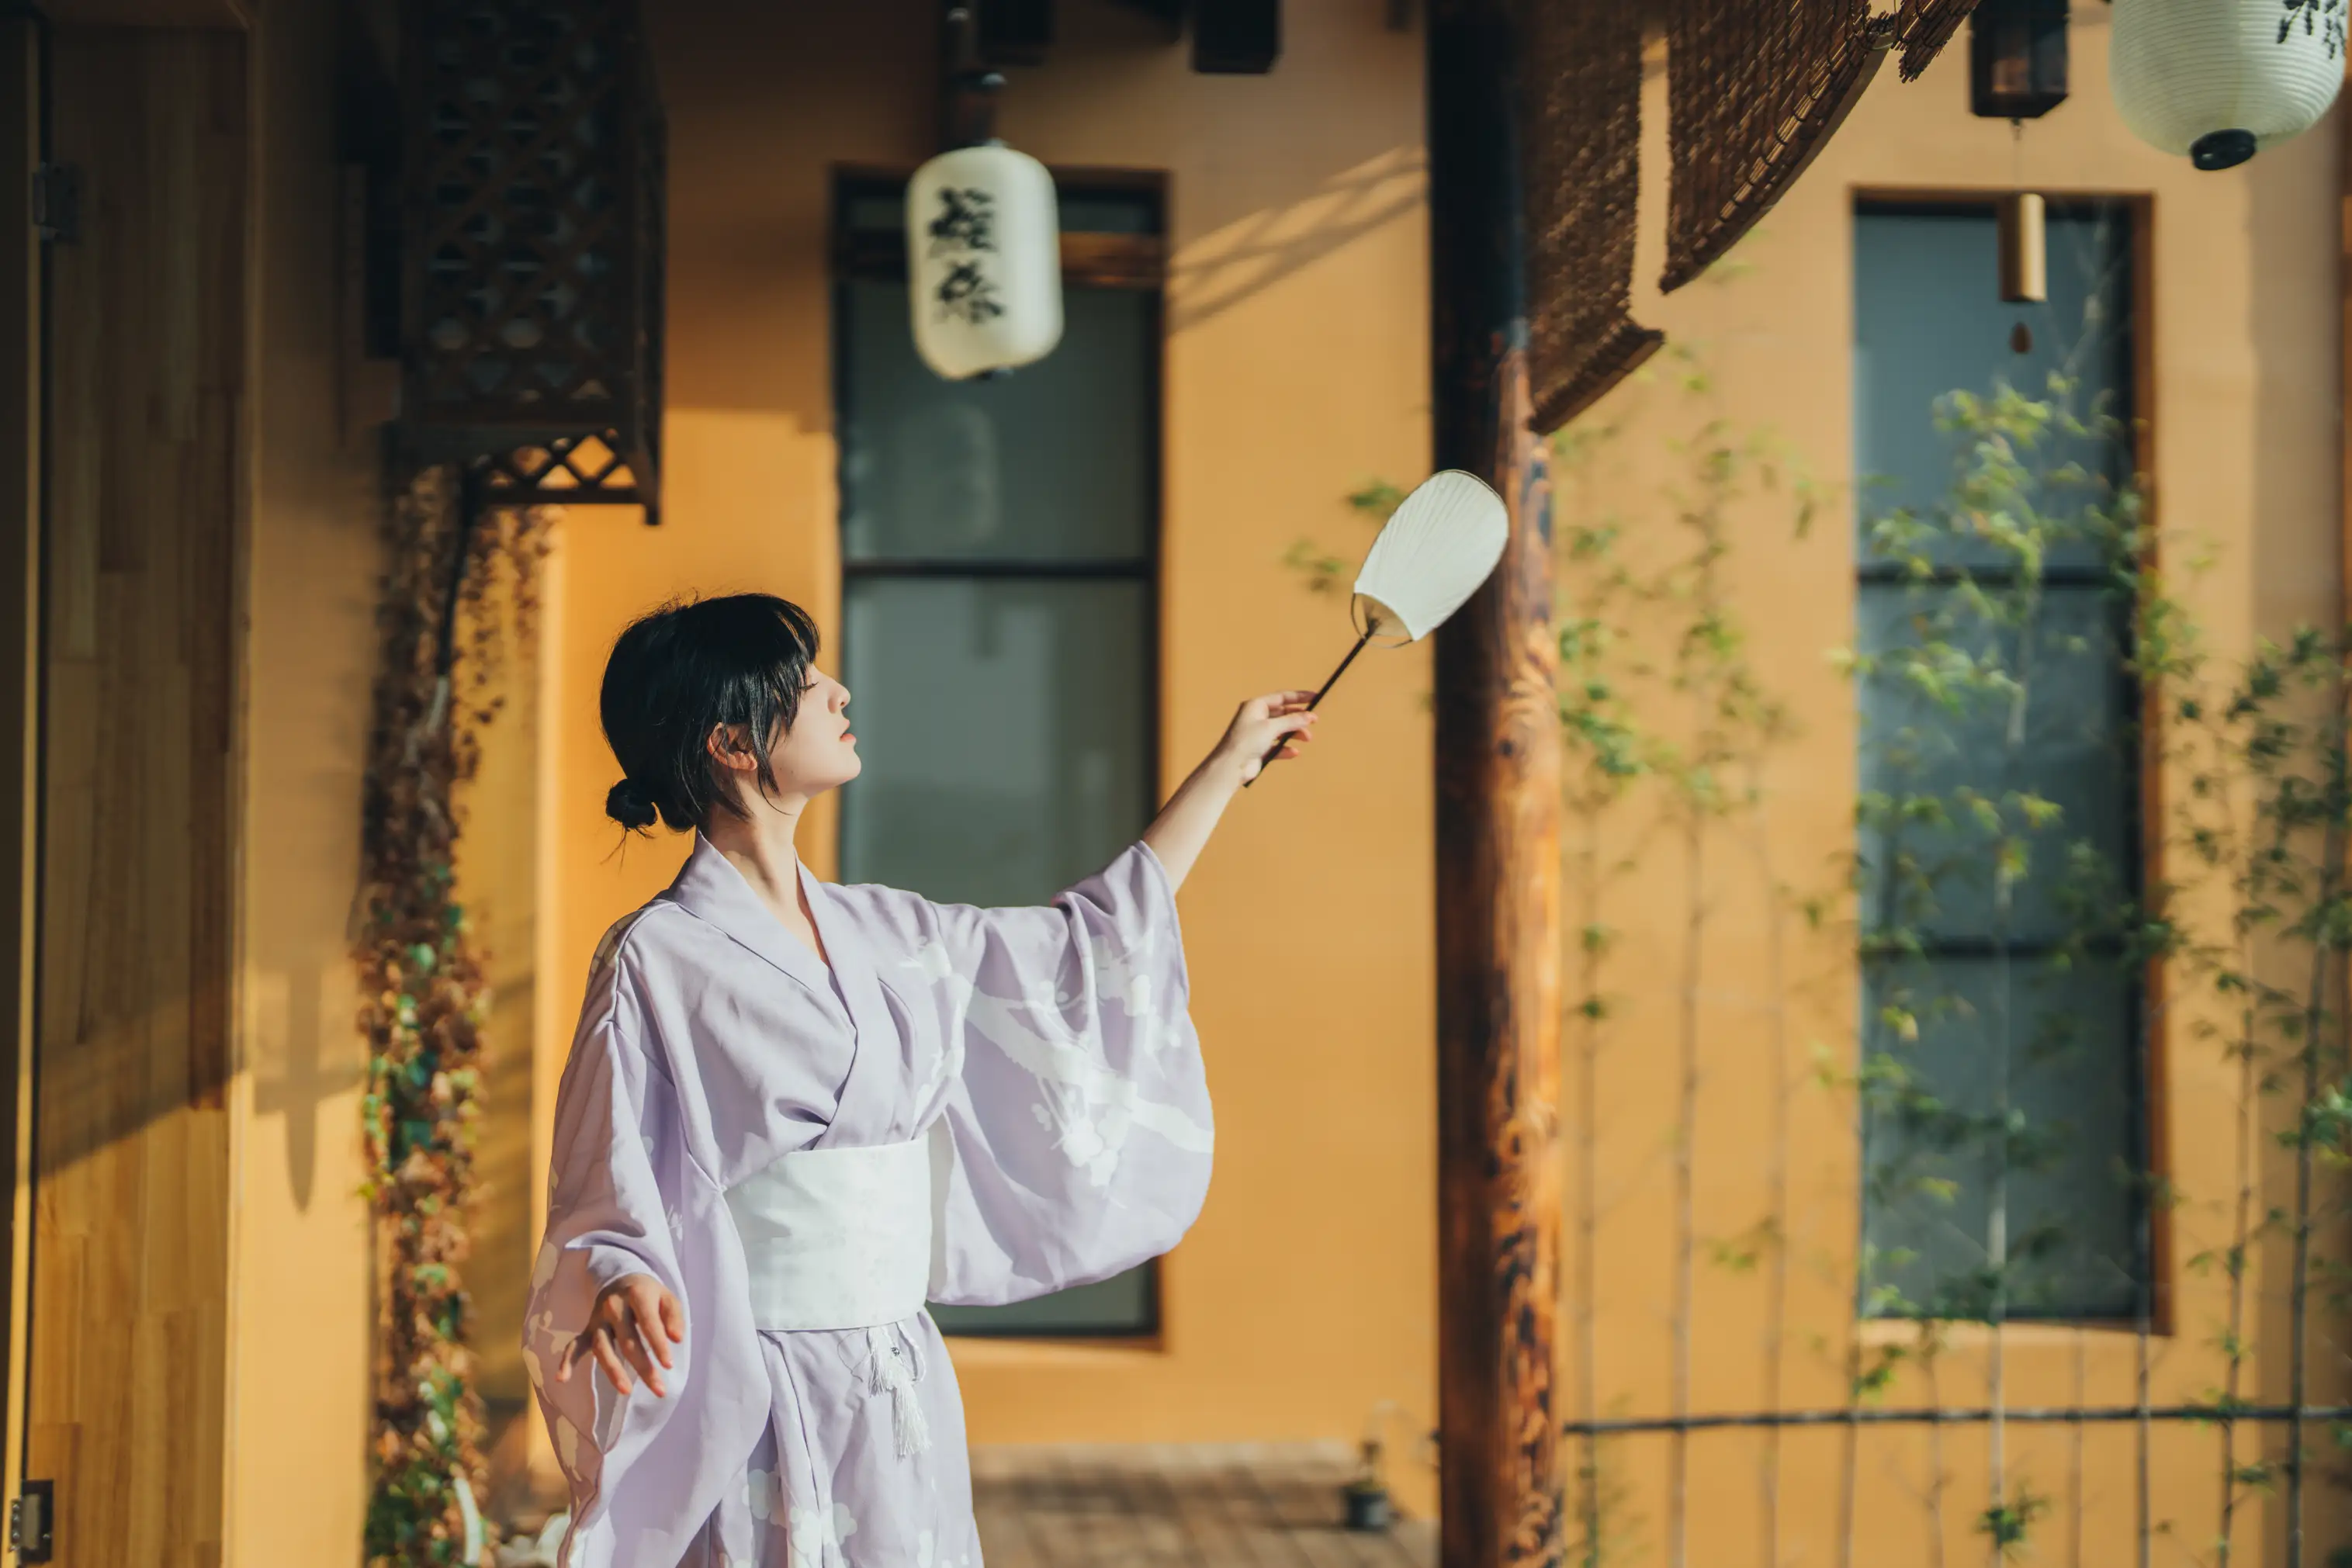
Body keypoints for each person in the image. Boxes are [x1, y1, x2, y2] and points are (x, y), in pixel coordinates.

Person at [523, 593, 1316, 1568]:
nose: (838, 691)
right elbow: (602, 1176)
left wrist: (1228, 767)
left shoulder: (892, 933)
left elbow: (1087, 946)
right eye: (804, 684)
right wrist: (621, 1274)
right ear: (733, 741)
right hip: (760, 1384)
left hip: (895, 1375)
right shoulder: (655, 957)